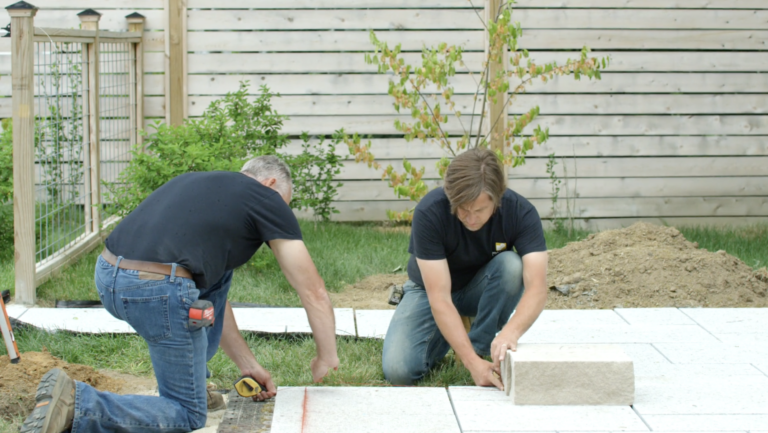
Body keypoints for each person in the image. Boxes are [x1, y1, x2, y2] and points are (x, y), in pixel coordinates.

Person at [21, 156, 340, 433]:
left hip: (108, 276)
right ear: (270, 184)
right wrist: (325, 357)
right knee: (186, 414)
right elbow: (313, 290)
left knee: (218, 277)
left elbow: (214, 299)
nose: (280, 211)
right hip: (157, 291)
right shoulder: (266, 197)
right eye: (283, 202)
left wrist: (249, 365)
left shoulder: (197, 182)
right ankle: (78, 403)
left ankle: (195, 383)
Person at [382, 147, 548, 388]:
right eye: (463, 209)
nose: (470, 218)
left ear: (497, 199)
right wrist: (471, 363)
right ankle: (460, 344)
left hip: (481, 289)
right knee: (399, 372)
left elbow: (537, 288)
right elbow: (439, 297)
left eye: (479, 210)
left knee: (512, 265)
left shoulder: (520, 213)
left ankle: (480, 347)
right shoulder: (430, 211)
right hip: (430, 292)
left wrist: (511, 332)